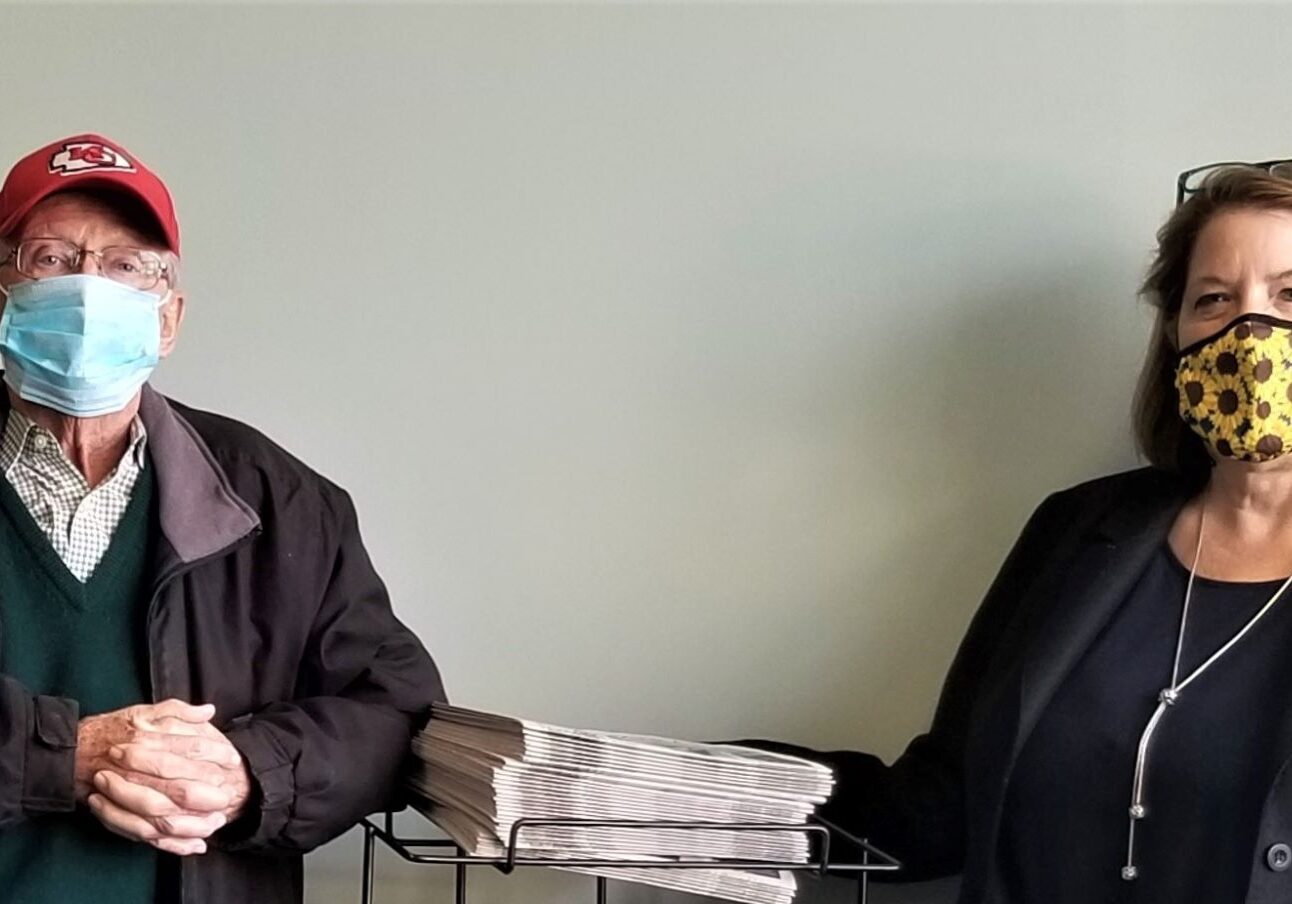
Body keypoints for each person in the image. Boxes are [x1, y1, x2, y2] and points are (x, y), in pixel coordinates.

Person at [749, 162, 1292, 904]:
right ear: (1176, 338)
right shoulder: (1077, 532)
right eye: (1214, 299)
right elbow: (944, 807)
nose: (1250, 334)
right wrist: (694, 786)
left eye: (1289, 294)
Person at [0, 133, 445, 903]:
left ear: (169, 319)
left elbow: (394, 709)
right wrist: (58, 755)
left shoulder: (282, 501)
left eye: (126, 266)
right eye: (51, 259)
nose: (88, 290)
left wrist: (251, 771)